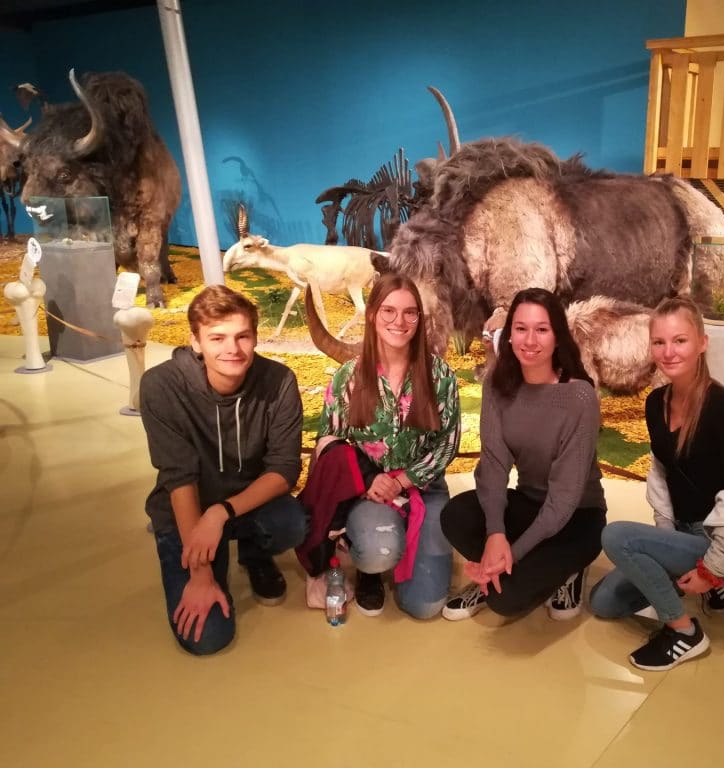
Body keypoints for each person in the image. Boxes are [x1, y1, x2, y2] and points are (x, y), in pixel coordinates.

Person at [589, 295, 724, 671]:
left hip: (719, 541)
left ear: (702, 343)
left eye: (680, 340)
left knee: (616, 536)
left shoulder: (722, 408)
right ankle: (702, 586)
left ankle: (685, 630)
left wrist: (711, 569)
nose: (668, 352)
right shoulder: (655, 403)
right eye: (659, 342)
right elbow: (662, 473)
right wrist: (664, 536)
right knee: (604, 603)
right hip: (681, 534)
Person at [140, 285, 307, 655]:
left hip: (242, 505)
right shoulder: (161, 385)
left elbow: (284, 469)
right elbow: (179, 478)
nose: (232, 348)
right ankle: (207, 564)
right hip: (187, 509)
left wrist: (221, 512)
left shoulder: (279, 381)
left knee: (292, 522)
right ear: (195, 341)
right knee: (207, 638)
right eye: (217, 338)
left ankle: (253, 554)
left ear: (255, 338)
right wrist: (200, 575)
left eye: (242, 336)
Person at [440, 288, 606, 621]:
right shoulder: (497, 386)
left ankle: (559, 571)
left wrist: (510, 554)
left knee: (506, 601)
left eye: (542, 329)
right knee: (455, 515)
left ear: (557, 337)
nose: (530, 340)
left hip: (576, 517)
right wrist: (495, 534)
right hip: (528, 503)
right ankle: (496, 574)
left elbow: (562, 501)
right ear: (509, 335)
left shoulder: (578, 397)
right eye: (521, 328)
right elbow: (493, 465)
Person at [316, 274, 460, 619]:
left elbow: (448, 442)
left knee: (425, 606)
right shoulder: (348, 376)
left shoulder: (440, 375)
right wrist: (368, 478)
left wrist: (403, 481)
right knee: (377, 551)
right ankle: (368, 567)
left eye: (410, 312)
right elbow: (329, 441)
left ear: (419, 319)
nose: (400, 321)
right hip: (368, 491)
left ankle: (418, 544)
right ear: (371, 315)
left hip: (425, 488)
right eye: (389, 311)